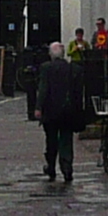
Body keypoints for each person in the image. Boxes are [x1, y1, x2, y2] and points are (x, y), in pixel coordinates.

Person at [33, 39, 85, 183]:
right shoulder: (74, 69)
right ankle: (67, 168)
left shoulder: (46, 68)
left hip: (50, 111)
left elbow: (43, 88)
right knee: (66, 140)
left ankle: (51, 166)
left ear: (51, 55)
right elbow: (78, 93)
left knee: (51, 140)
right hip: (68, 111)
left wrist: (38, 107)